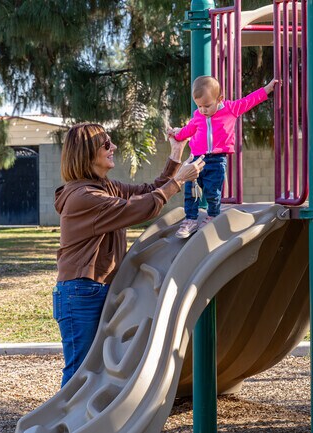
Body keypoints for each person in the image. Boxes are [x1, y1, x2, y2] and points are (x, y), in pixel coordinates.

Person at [53, 122, 204, 387]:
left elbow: (148, 191)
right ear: (88, 153)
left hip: (95, 288)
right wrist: (179, 180)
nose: (114, 147)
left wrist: (176, 154)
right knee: (79, 370)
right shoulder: (84, 197)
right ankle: (66, 426)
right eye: (106, 144)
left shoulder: (103, 187)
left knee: (94, 367)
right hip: (81, 291)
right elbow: (140, 209)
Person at [168, 76, 278, 238]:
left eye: (207, 106)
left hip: (216, 160)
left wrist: (267, 89)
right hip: (196, 160)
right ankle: (190, 220)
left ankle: (213, 215)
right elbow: (187, 130)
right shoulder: (198, 115)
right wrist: (176, 135)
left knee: (213, 192)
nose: (203, 110)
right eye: (199, 106)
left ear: (220, 99)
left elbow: (249, 100)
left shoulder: (230, 109)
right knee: (191, 191)